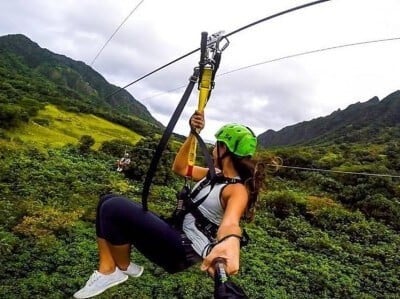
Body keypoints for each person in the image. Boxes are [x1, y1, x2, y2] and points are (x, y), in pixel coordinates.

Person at [73, 111, 263, 298]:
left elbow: (230, 222)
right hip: (176, 233)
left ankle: (114, 269)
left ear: (224, 150)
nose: (213, 149)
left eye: (216, 145)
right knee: (106, 200)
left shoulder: (237, 190)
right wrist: (192, 134)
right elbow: (179, 167)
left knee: (113, 207)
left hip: (182, 249)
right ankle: (113, 267)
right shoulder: (214, 175)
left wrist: (231, 240)